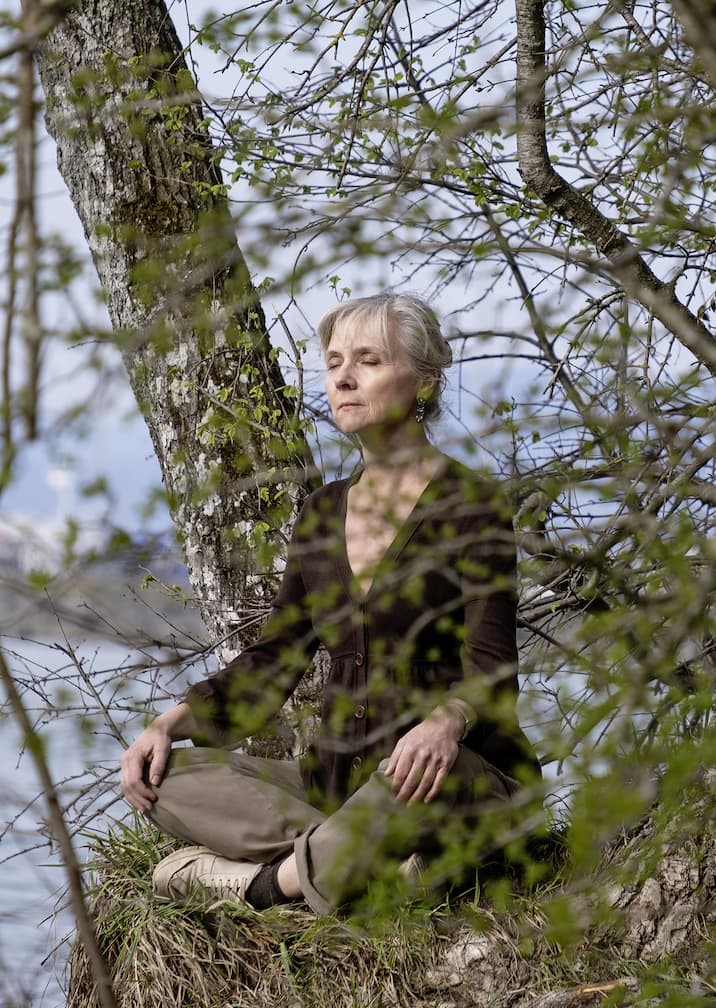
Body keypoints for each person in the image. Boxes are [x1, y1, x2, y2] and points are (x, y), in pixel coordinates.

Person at [120, 291, 540, 914]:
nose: (343, 378)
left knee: (421, 781)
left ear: (425, 380)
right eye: (335, 362)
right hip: (335, 790)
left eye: (368, 360)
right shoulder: (322, 514)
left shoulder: (471, 506)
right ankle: (368, 866)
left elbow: (493, 663)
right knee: (168, 779)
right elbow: (275, 659)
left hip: (451, 778)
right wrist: (167, 724)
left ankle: (268, 885)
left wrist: (447, 721)